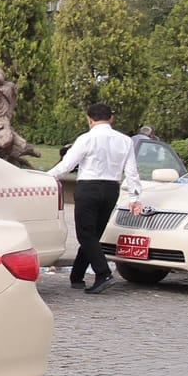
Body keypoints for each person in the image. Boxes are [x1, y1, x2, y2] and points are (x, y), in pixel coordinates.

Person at [47, 101, 142, 294]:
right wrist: (134, 197)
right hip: (111, 188)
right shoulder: (125, 140)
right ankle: (77, 276)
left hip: (89, 187)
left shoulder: (86, 139)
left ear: (89, 119)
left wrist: (45, 177)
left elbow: (66, 165)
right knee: (93, 235)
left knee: (85, 234)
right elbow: (132, 171)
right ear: (111, 118)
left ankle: (103, 273)